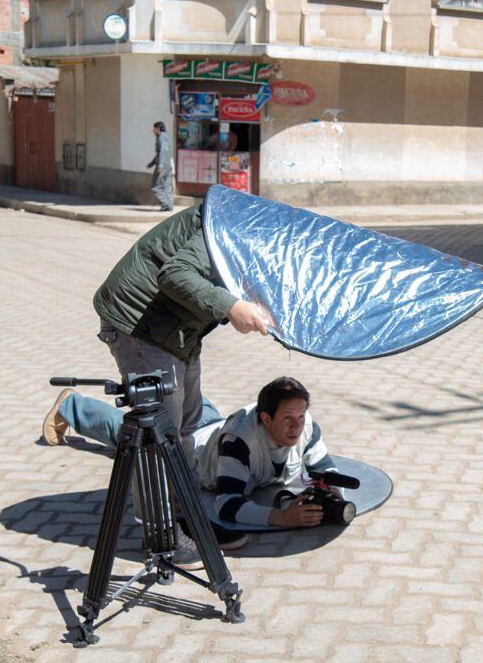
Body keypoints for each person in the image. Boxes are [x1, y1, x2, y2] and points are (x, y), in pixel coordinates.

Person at [89, 198, 271, 554]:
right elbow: (175, 274)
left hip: (177, 331)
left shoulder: (249, 234)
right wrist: (231, 307)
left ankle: (187, 518)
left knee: (185, 430)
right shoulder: (224, 230)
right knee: (159, 437)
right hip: (139, 327)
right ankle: (162, 537)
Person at [43, 377, 337, 545]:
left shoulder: (305, 425)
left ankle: (168, 392)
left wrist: (333, 494)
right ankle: (72, 405)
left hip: (214, 430)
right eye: (288, 419)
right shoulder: (240, 442)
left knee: (182, 394)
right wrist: (280, 518)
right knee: (127, 431)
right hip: (192, 453)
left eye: (300, 417)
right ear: (265, 418)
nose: (297, 427)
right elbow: (228, 504)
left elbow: (327, 469)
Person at [147, 121, 175, 212]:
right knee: (166, 186)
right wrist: (152, 163)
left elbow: (163, 151)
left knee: (156, 186)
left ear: (158, 129)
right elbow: (160, 153)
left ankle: (165, 204)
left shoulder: (161, 137)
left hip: (163, 166)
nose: (153, 131)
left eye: (154, 129)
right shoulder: (165, 137)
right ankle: (169, 206)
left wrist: (160, 164)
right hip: (167, 165)